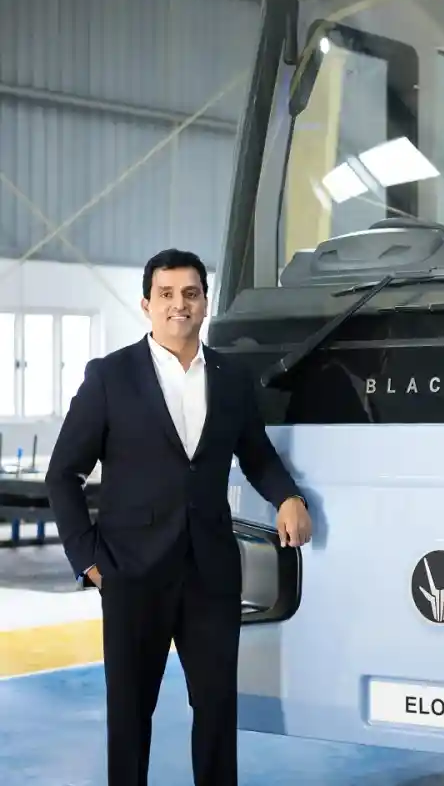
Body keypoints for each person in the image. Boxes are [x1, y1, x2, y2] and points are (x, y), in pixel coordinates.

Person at [45, 248, 314, 786]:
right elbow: (63, 475)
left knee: (216, 710)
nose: (179, 304)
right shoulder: (110, 377)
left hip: (211, 573)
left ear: (205, 303)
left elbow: (256, 454)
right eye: (165, 294)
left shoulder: (231, 378)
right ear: (146, 304)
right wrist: (89, 560)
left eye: (190, 293)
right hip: (131, 572)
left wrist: (289, 497)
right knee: (130, 715)